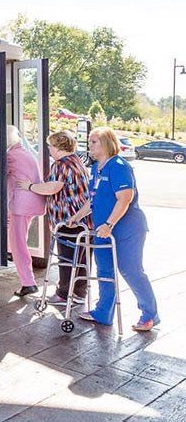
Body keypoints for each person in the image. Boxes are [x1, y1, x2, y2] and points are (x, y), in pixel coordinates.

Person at [67, 127, 159, 331]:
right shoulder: (96, 168)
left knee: (131, 270)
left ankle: (149, 314)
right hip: (102, 230)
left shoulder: (118, 166)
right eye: (89, 142)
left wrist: (109, 224)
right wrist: (76, 216)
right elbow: (92, 200)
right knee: (104, 270)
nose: (89, 146)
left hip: (126, 229)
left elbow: (125, 198)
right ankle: (103, 313)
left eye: (93, 142)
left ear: (106, 143)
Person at [18, 130, 91, 305]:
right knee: (81, 259)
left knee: (66, 259)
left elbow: (52, 187)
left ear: (59, 147)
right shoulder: (77, 161)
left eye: (50, 146)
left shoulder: (60, 164)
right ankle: (79, 293)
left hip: (68, 220)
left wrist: (30, 187)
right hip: (83, 219)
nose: (49, 149)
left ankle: (63, 294)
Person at [0, 125, 45, 297]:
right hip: (31, 203)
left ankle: (28, 282)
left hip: (20, 206)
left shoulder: (9, 156)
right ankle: (8, 253)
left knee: (19, 244)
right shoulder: (25, 153)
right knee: (15, 237)